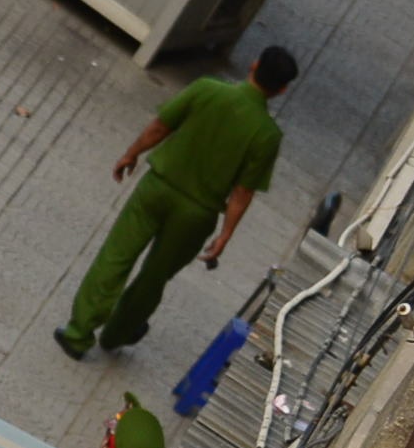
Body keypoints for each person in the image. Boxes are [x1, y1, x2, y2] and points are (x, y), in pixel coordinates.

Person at [59, 47, 294, 358]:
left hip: (156, 189)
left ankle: (78, 334)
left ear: (253, 65)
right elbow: (242, 192)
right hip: (197, 214)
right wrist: (225, 235)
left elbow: (160, 126)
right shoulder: (267, 135)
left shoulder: (207, 89)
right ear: (281, 90)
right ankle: (118, 333)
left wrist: (132, 153)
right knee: (155, 276)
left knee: (116, 256)